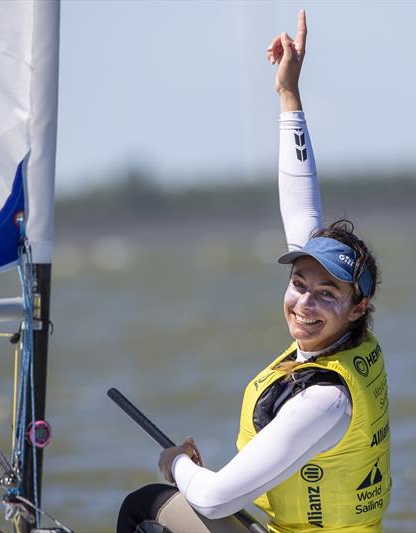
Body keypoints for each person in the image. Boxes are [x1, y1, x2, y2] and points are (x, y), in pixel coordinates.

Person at [117, 10, 390, 533]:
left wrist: (176, 464)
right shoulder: (348, 350)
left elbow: (217, 500)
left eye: (326, 294)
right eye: (299, 284)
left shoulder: (325, 399)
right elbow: (300, 203)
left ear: (359, 306)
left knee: (148, 505)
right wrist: (289, 95)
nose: (305, 303)